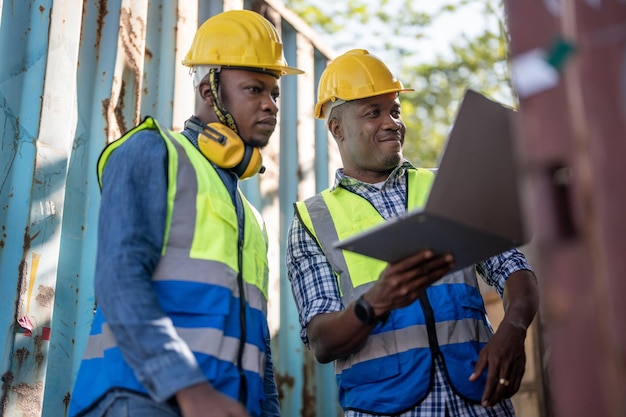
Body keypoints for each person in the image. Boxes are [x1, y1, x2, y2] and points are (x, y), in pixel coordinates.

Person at [69, 10, 304, 417]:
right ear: (209, 90)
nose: (270, 105)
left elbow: (257, 341)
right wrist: (189, 387)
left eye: (275, 94)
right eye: (254, 89)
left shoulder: (252, 216)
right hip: (141, 399)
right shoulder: (153, 151)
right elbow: (119, 278)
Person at [286, 49, 540, 417]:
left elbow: (514, 269)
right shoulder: (312, 220)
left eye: (394, 110)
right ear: (337, 128)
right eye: (373, 112)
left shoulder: (448, 189)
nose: (391, 122)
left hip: (479, 402)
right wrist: (376, 302)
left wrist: (514, 329)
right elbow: (322, 342)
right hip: (387, 409)